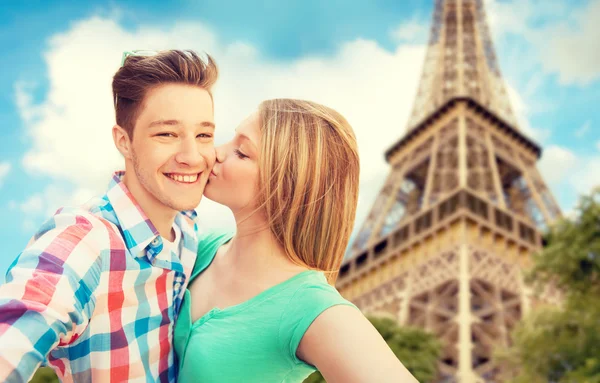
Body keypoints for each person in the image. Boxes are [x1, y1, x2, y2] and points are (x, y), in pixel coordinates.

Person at [0, 50, 218, 382]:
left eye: (204, 135)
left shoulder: (187, 232)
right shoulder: (86, 239)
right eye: (167, 134)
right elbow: (16, 326)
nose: (192, 156)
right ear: (124, 141)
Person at [175, 99, 418, 382]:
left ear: (287, 186)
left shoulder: (311, 308)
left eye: (242, 152)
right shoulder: (200, 248)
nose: (215, 153)